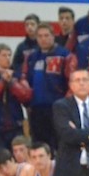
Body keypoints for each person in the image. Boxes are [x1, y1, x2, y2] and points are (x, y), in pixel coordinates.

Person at [21, 22, 71, 152]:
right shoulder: (31, 57)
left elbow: (71, 81)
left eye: (46, 35)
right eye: (40, 36)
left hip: (57, 106)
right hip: (36, 108)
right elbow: (26, 80)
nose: (43, 39)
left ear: (53, 36)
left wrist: (66, 103)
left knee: (58, 144)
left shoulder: (64, 55)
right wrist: (27, 102)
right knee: (39, 145)